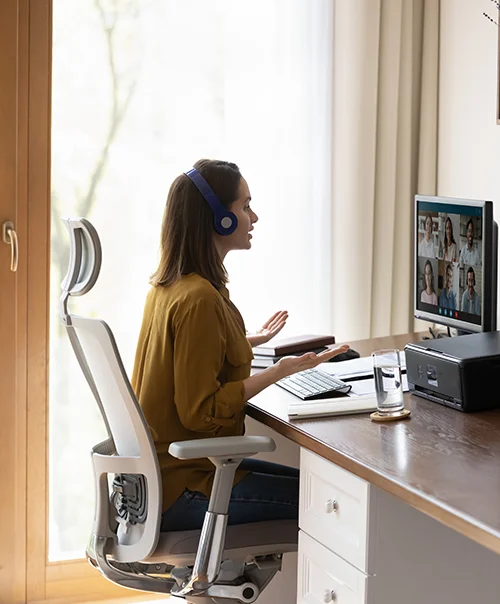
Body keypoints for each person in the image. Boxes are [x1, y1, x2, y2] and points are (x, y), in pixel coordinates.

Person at [131, 159, 349, 532]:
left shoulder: (170, 287)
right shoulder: (199, 299)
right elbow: (200, 411)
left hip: (161, 483)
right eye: (245, 206)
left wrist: (248, 342)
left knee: (327, 492)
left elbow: (185, 358)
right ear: (220, 219)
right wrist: (277, 372)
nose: (255, 217)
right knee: (334, 506)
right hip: (185, 487)